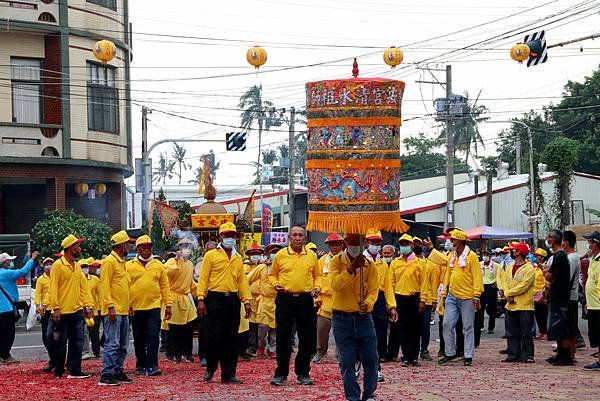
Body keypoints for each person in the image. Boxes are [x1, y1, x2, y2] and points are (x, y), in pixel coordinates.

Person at [197, 222, 251, 384]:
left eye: (232, 235)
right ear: (220, 236)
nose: (230, 238)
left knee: (231, 337)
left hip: (232, 300)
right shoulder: (211, 255)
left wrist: (246, 300)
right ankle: (211, 368)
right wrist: (201, 298)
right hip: (214, 299)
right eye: (226, 235)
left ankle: (229, 373)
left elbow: (242, 281)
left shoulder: (237, 257)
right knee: (214, 337)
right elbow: (203, 278)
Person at [329, 233, 380, 401]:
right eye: (351, 242)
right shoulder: (336, 262)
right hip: (342, 319)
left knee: (371, 358)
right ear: (345, 243)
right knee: (347, 360)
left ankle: (369, 394)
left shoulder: (369, 266)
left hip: (363, 318)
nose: (355, 245)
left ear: (364, 243)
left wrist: (369, 303)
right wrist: (350, 269)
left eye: (358, 242)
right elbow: (335, 286)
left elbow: (373, 291)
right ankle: (352, 397)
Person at [268, 225, 321, 386]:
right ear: (289, 237)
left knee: (306, 338)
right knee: (283, 336)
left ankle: (303, 372)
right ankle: (281, 372)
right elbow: (272, 275)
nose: (297, 238)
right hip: (285, 299)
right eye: (295, 235)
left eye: (301, 235)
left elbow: (318, 276)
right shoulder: (281, 255)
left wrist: (317, 287)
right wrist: (276, 284)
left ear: (305, 238)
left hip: (305, 300)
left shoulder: (311, 256)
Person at [426, 229, 482, 366]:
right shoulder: (452, 256)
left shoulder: (471, 256)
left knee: (468, 327)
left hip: (468, 297)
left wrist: (477, 295)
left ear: (460, 242)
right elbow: (442, 260)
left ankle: (468, 356)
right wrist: (431, 248)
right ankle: (450, 353)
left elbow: (477, 276)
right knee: (446, 324)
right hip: (452, 295)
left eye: (453, 240)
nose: (450, 242)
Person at [44, 235, 94, 379]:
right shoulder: (58, 265)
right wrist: (56, 308)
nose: (80, 248)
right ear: (71, 248)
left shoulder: (77, 266)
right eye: (78, 246)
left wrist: (88, 305)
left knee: (78, 340)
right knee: (60, 341)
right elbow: (53, 288)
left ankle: (75, 369)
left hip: (77, 310)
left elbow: (83, 288)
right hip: (62, 311)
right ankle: (59, 369)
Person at [127, 235, 173, 377]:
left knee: (153, 335)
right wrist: (127, 304)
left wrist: (169, 304)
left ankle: (153, 365)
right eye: (144, 246)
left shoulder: (158, 265)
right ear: (138, 249)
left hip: (153, 306)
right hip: (135, 308)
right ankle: (141, 364)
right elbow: (125, 287)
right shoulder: (129, 266)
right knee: (139, 337)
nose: (147, 249)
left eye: (149, 246)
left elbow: (165, 286)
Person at [99, 230, 133, 386]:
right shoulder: (109, 262)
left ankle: (118, 371)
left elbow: (124, 286)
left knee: (123, 344)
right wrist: (110, 307)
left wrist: (129, 305)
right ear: (121, 246)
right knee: (112, 343)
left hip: (123, 310)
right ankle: (107, 374)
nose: (129, 247)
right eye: (127, 244)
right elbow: (104, 286)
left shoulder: (121, 262)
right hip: (114, 310)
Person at [388, 234, 427, 366]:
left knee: (415, 328)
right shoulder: (395, 263)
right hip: (400, 297)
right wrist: (392, 303)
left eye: (406, 244)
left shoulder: (420, 263)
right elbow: (391, 283)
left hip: (414, 297)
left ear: (412, 245)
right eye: (402, 244)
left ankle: (414, 356)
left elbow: (424, 283)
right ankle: (405, 356)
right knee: (402, 328)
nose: (404, 247)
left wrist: (423, 300)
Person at [0, 251, 39, 365]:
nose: (11, 263)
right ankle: (5, 355)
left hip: (2, 308)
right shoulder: (6, 274)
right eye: (10, 261)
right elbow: (22, 271)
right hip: (7, 309)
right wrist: (32, 259)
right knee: (8, 334)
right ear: (4, 262)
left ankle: (2, 355)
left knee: (1, 333)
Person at [164, 238, 198, 364]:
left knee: (188, 327)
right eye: (184, 246)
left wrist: (200, 292)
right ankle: (175, 354)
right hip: (173, 297)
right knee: (174, 328)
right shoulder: (171, 262)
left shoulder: (189, 264)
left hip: (185, 297)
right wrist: (177, 261)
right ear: (179, 248)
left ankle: (187, 353)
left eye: (188, 246)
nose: (186, 248)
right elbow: (167, 274)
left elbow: (191, 283)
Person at [313, 233, 344, 364]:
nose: (334, 247)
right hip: (325, 301)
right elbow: (317, 279)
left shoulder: (346, 260)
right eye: (332, 244)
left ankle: (341, 353)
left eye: (337, 244)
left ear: (342, 245)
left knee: (342, 329)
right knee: (321, 328)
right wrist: (317, 298)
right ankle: (320, 351)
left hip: (342, 300)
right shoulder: (322, 261)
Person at [544, 229, 574, 366]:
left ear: (554, 240)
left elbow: (550, 277)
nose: (547, 239)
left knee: (561, 326)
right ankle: (560, 354)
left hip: (561, 298)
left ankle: (566, 355)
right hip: (556, 296)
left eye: (549, 237)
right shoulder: (558, 256)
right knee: (556, 326)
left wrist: (545, 272)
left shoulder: (560, 256)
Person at [502, 242, 535, 363]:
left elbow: (524, 285)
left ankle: (527, 355)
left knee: (526, 332)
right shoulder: (510, 266)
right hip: (510, 305)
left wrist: (510, 293)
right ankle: (513, 354)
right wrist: (507, 293)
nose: (512, 252)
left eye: (514, 250)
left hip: (524, 305)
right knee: (511, 332)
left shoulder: (529, 268)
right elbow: (505, 281)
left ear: (519, 252)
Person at [257, 243, 282, 359]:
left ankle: (272, 349)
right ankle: (261, 347)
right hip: (264, 301)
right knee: (263, 327)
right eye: (272, 252)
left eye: (277, 252)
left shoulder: (283, 268)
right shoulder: (262, 267)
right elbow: (247, 279)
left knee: (275, 329)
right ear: (267, 254)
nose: (274, 254)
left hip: (277, 301)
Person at [194, 241, 217, 367]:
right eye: (209, 251)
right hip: (205, 297)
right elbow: (199, 279)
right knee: (203, 328)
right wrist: (201, 299)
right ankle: (203, 355)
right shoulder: (200, 265)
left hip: (218, 298)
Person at [562, 230, 585, 360]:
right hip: (568, 296)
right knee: (569, 326)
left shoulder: (572, 258)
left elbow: (567, 279)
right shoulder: (570, 257)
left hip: (570, 296)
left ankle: (570, 354)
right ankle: (568, 353)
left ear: (566, 243)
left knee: (570, 327)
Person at [241, 244, 264, 360]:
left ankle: (263, 347)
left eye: (257, 253)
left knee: (264, 324)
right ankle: (251, 347)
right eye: (253, 254)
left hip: (262, 297)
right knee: (251, 324)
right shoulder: (245, 267)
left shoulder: (264, 266)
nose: (255, 256)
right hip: (250, 298)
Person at [414, 237, 435, 361]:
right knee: (413, 326)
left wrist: (433, 300)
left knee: (425, 326)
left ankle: (424, 349)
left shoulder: (430, 265)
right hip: (413, 299)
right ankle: (413, 351)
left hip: (426, 299)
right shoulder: (410, 263)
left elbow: (433, 283)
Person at [583, 231, 600, 370]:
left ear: (596, 244)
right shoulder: (594, 259)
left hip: (599, 304)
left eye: (591, 242)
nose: (589, 245)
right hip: (593, 303)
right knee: (596, 334)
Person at [475, 249, 499, 347]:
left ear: (490, 255)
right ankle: (480, 326)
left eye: (487, 254)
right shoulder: (479, 264)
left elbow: (500, 276)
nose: (485, 256)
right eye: (484, 254)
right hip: (481, 287)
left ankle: (491, 327)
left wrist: (496, 283)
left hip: (491, 287)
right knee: (480, 308)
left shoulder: (496, 265)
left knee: (492, 308)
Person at [34, 257, 54, 370]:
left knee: (57, 337)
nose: (49, 266)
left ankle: (58, 360)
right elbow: (38, 294)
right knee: (46, 337)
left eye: (51, 263)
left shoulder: (57, 277)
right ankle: (52, 359)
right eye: (47, 264)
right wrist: (38, 305)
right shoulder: (41, 279)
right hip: (46, 311)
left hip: (57, 309)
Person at [81, 258, 101, 360]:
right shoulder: (77, 280)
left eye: (85, 267)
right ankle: (85, 352)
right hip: (81, 310)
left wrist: (101, 307)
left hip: (94, 310)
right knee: (83, 332)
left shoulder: (95, 279)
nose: (84, 269)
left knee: (94, 333)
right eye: (82, 267)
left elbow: (100, 294)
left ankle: (96, 352)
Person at [532, 248, 549, 340]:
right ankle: (541, 331)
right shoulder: (536, 268)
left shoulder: (545, 267)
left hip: (542, 294)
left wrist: (545, 294)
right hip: (535, 294)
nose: (535, 257)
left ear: (542, 257)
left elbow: (546, 280)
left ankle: (546, 331)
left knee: (544, 314)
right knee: (538, 314)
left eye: (537, 256)